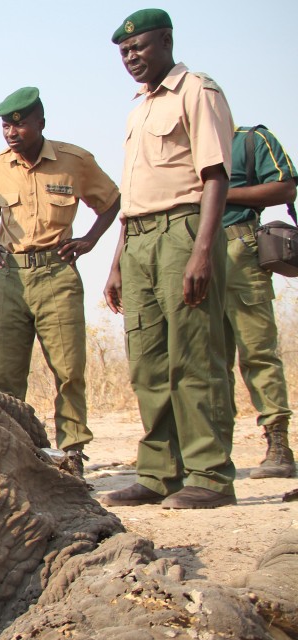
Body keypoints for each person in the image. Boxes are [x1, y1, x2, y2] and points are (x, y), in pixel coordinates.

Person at [102, 9, 237, 509]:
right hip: (137, 238)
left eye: (138, 48)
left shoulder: (196, 90)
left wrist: (203, 250)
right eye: (123, 53)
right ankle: (160, 472)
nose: (131, 59)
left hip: (183, 231)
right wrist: (117, 261)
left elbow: (215, 176)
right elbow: (134, 195)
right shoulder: (137, 108)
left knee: (195, 354)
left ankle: (210, 475)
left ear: (166, 40)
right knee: (148, 361)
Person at [0, 87, 121, 475]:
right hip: (10, 277)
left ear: (41, 122)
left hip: (56, 273)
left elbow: (111, 201)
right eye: (6, 125)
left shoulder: (74, 161)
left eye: (20, 123)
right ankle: (16, 452)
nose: (11, 131)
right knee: (7, 376)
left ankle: (72, 452)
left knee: (68, 369)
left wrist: (89, 240)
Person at [223, 125, 298, 478]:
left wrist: (222, 194)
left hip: (240, 247)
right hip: (186, 252)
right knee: (204, 360)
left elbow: (284, 186)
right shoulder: (180, 148)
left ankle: (278, 443)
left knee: (257, 351)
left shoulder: (249, 139)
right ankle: (214, 451)